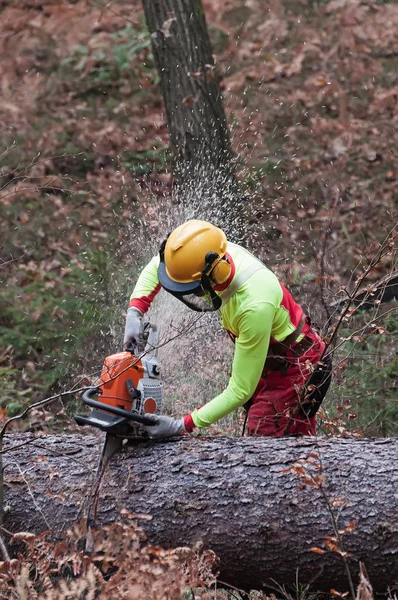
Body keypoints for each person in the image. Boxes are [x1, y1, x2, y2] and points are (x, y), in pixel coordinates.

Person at [123, 219, 332, 439]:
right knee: (295, 444)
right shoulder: (209, 253)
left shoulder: (253, 306)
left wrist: (180, 425)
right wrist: (135, 310)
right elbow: (161, 264)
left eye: (193, 289)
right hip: (272, 360)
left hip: (299, 367)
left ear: (214, 275)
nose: (193, 293)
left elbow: (240, 390)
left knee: (263, 433)